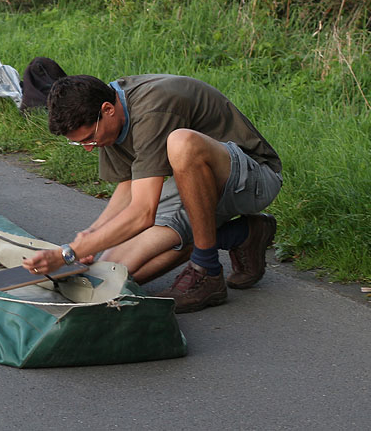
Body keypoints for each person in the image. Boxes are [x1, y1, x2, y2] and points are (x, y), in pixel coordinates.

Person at [21, 74, 282, 313]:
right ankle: (243, 234)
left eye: (89, 138)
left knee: (182, 143)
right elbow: (129, 187)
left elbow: (143, 213)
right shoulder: (108, 114)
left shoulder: (153, 107)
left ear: (107, 110)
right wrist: (92, 234)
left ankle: (207, 271)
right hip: (195, 184)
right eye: (81, 143)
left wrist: (69, 253)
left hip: (252, 178)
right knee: (114, 273)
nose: (89, 148)